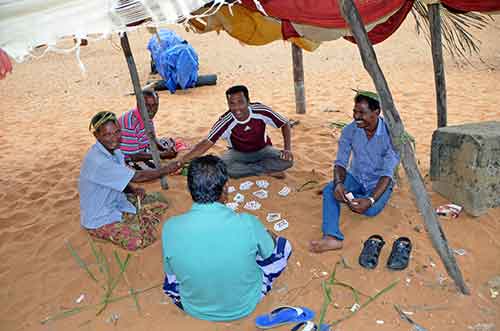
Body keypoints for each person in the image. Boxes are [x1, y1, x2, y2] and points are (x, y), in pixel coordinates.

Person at [162, 155, 292, 321]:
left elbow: (171, 273)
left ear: (190, 189)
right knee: (282, 246)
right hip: (245, 304)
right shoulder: (248, 222)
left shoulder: (170, 227)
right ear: (225, 189)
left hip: (194, 307)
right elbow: (269, 255)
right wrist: (270, 237)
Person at [310, 90, 400, 253]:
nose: (356, 116)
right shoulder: (350, 130)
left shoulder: (392, 135)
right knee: (331, 189)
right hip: (356, 176)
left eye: (362, 113)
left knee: (370, 209)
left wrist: (371, 200)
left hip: (378, 182)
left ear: (376, 112)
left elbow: (387, 174)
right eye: (355, 111)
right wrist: (338, 184)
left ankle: (354, 199)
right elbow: (340, 162)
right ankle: (332, 237)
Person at [79, 111, 180, 251]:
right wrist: (166, 169)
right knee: (141, 240)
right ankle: (132, 222)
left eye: (117, 132)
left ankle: (135, 219)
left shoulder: (114, 151)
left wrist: (132, 190)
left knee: (160, 200)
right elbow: (137, 176)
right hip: (100, 218)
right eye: (107, 134)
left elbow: (118, 178)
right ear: (96, 136)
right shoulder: (98, 161)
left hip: (117, 203)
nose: (114, 138)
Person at [175, 85, 293, 178]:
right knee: (222, 167)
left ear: (248, 101)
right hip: (238, 153)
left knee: (288, 161)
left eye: (240, 102)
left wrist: (287, 149)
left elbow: (285, 124)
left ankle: (250, 169)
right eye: (232, 104)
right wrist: (181, 161)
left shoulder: (261, 110)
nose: (237, 108)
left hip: (263, 149)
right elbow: (206, 143)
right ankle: (264, 171)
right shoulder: (225, 120)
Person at [119, 89, 177, 170]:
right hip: (129, 158)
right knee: (154, 166)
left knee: (169, 141)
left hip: (143, 149)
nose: (152, 109)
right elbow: (133, 155)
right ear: (139, 105)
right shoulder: (129, 123)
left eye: (155, 105)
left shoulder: (147, 116)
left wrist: (164, 149)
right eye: (147, 105)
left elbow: (152, 137)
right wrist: (162, 155)